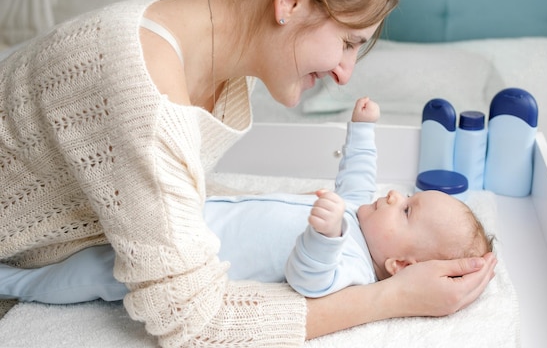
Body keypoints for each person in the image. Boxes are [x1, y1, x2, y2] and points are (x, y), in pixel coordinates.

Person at [0, 0, 497, 346]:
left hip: (76, 238)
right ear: (291, 2)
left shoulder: (218, 55)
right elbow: (194, 324)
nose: (347, 74)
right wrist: (391, 300)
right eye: (349, 42)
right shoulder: (146, 99)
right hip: (26, 251)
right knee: (83, 277)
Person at [0, 97, 494, 303]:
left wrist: (323, 238)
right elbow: (359, 176)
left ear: (400, 261)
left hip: (173, 261)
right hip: (184, 213)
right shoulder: (361, 211)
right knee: (94, 216)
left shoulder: (353, 265)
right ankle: (27, 231)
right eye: (407, 195)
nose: (394, 194)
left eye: (407, 209)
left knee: (91, 275)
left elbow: (309, 282)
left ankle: (18, 283)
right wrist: (362, 130)